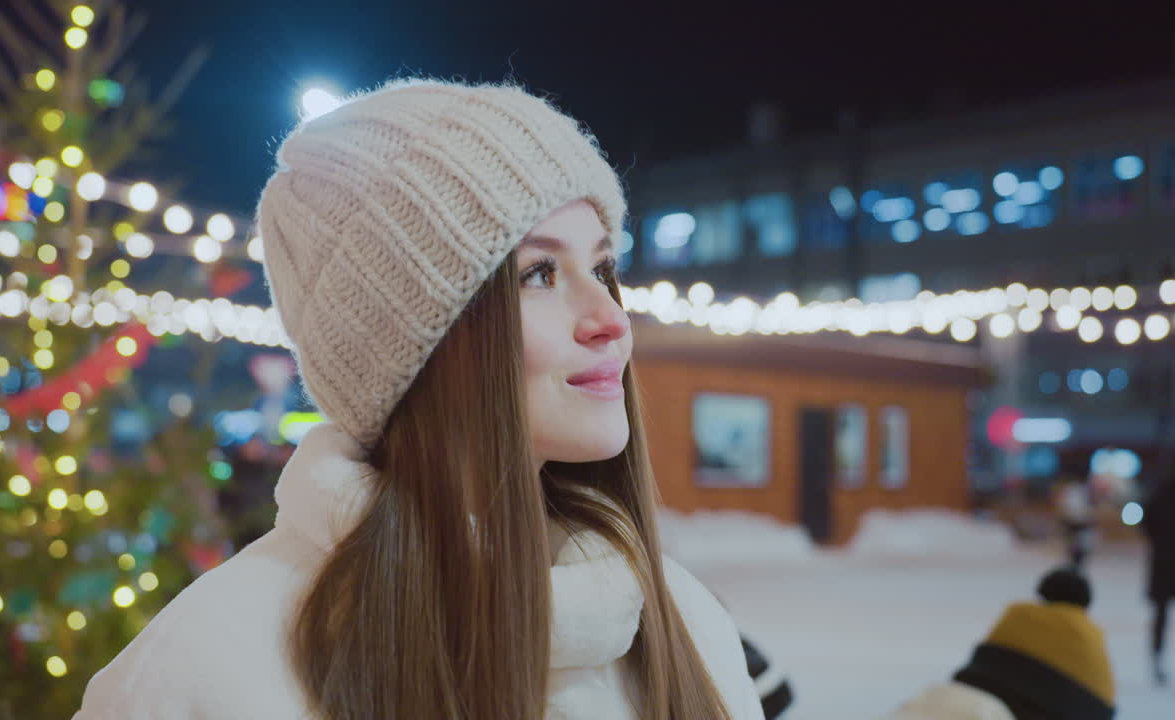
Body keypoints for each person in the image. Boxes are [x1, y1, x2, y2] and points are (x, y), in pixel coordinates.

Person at [73, 78, 763, 719]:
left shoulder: (683, 623)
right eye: (539, 273)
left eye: (604, 267)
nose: (610, 318)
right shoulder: (206, 671)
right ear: (406, 344)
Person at [883, 567, 1115, 720]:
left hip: (985, 693)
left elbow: (984, 661)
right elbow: (1101, 703)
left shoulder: (1018, 613)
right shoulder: (1090, 634)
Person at [1141, 473, 1175, 685]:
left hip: (1162, 560)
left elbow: (1147, 523)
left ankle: (1157, 658)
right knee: (1161, 613)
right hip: (1163, 561)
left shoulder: (1159, 493)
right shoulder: (1161, 493)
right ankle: (1157, 659)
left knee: (1160, 613)